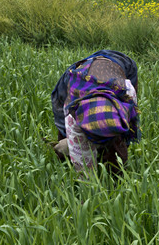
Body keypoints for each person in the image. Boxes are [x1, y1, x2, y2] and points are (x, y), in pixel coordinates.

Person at [50, 49, 139, 177]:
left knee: (117, 149)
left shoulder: (126, 93)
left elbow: (131, 122)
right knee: (66, 146)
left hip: (121, 63)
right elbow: (84, 174)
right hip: (81, 73)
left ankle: (111, 161)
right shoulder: (70, 106)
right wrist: (68, 140)